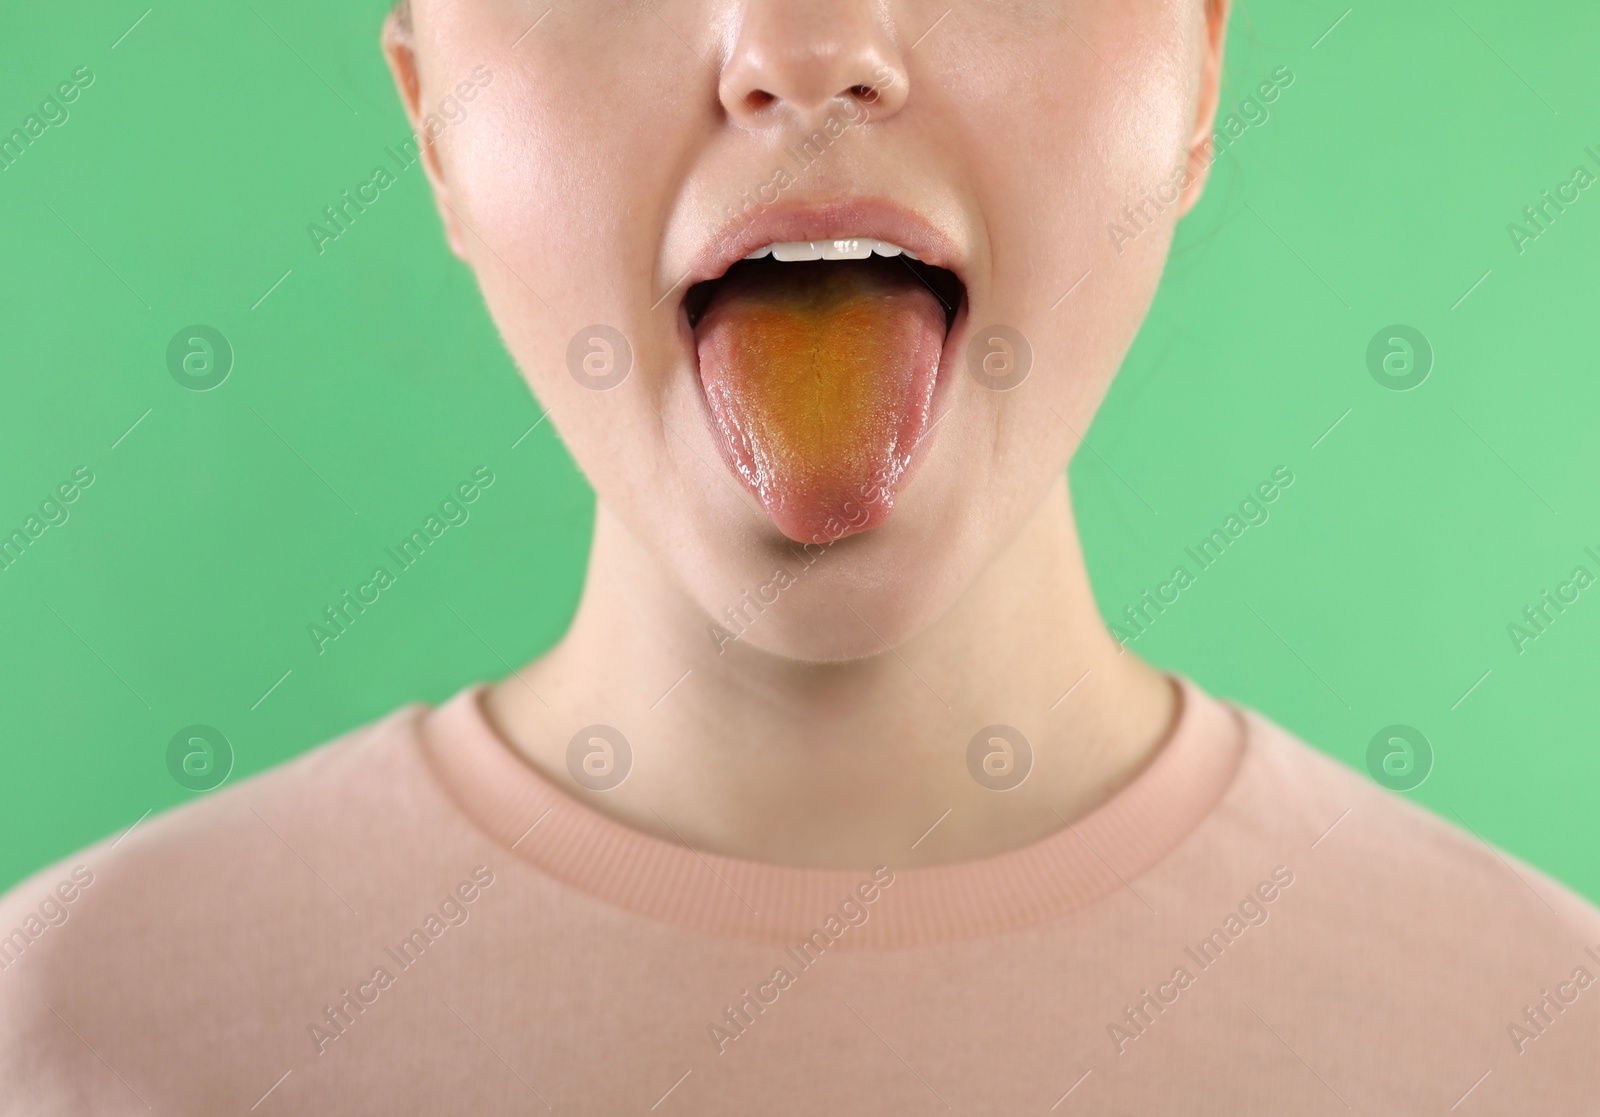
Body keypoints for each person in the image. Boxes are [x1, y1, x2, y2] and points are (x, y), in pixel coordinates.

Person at [3, 0, 1596, 1111]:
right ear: (434, 131)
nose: (805, 50)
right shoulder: (67, 1036)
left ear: (1196, 69)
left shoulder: (1545, 1047)